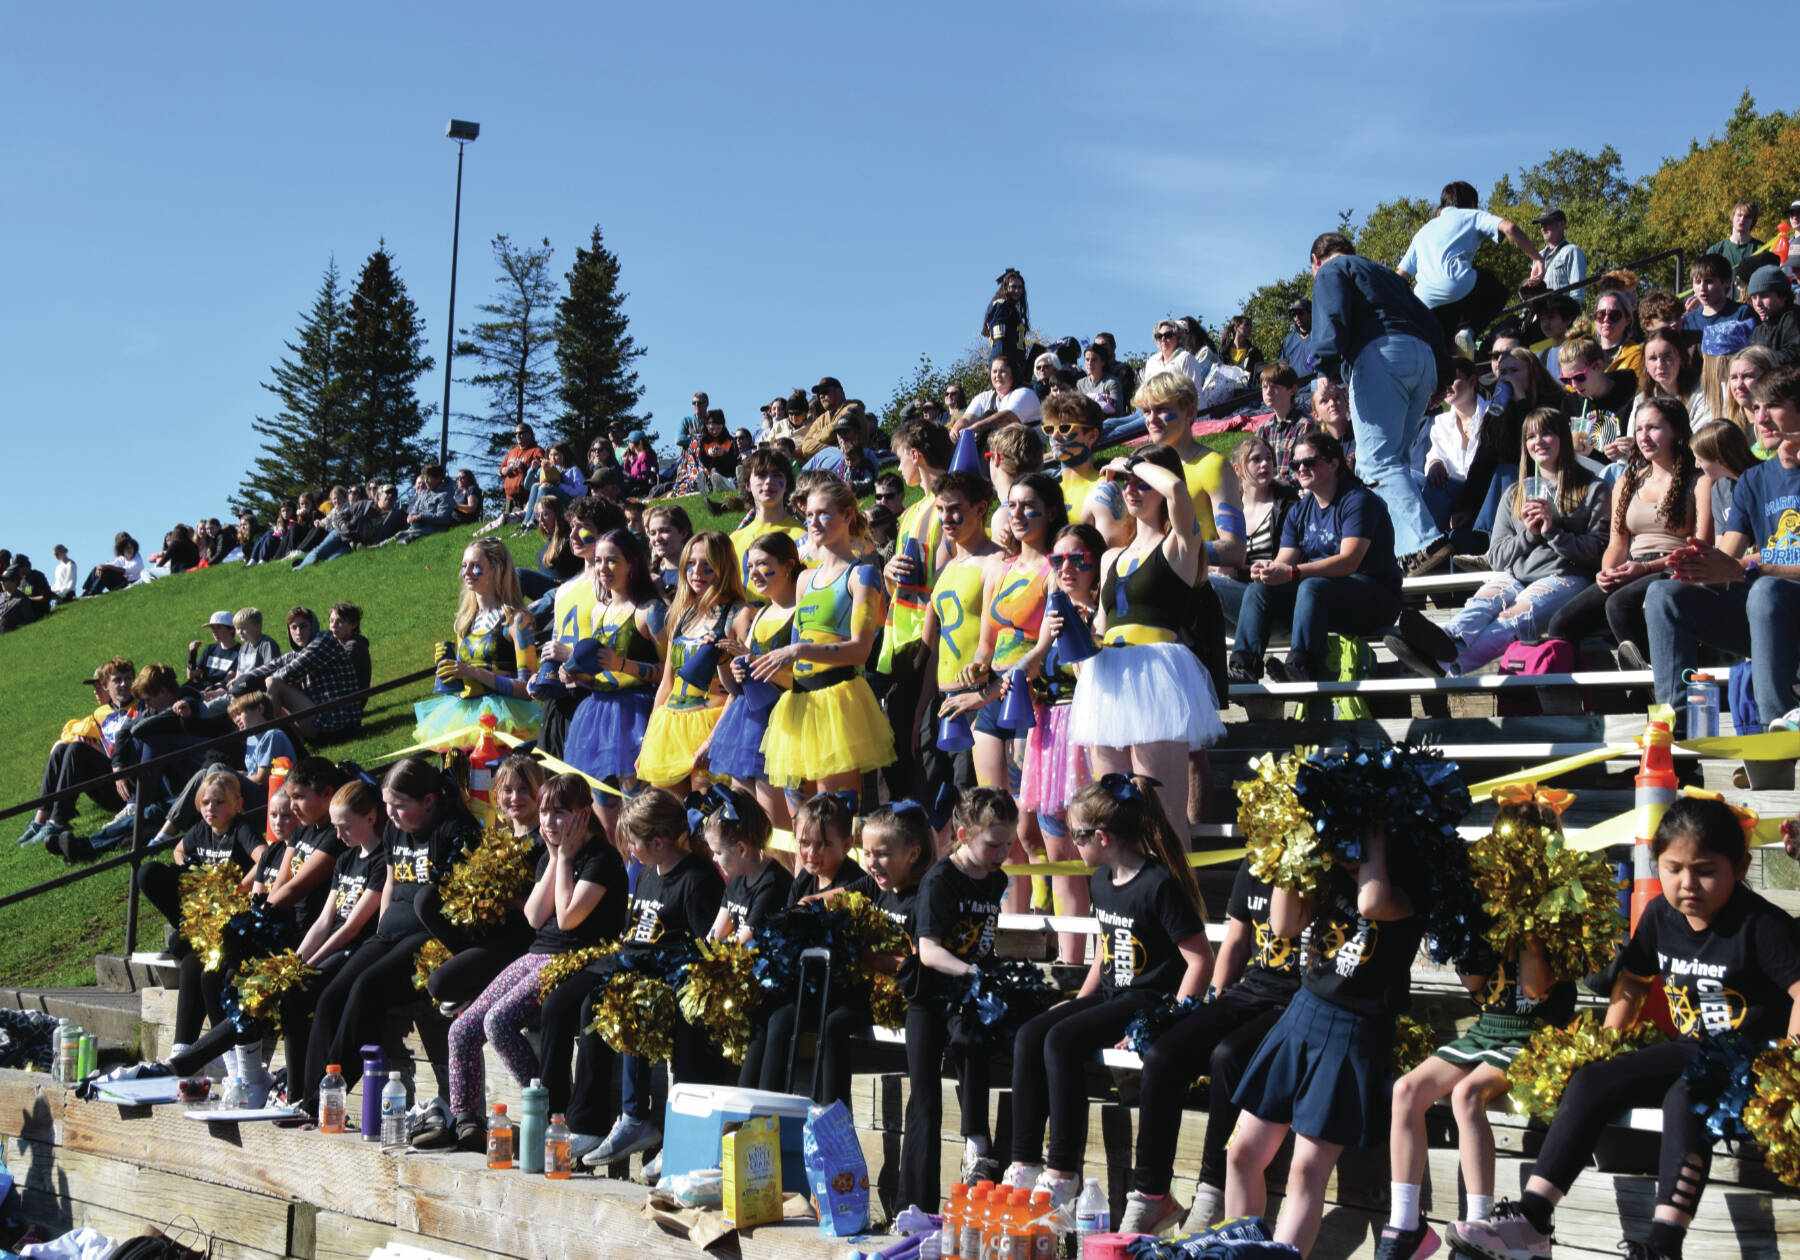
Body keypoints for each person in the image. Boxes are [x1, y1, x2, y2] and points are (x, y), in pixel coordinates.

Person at [1447, 797, 1800, 1260]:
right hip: (1694, 1050)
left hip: (1752, 1062)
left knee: (1686, 1095)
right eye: (1673, 868)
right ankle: (1531, 1221)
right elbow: (1633, 981)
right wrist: (1609, 1041)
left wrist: (1788, 1065)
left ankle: (1662, 1245)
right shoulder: (1660, 915)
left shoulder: (1762, 924)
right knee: (1593, 1077)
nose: (1687, 883)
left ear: (1741, 866)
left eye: (1705, 870)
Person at [1003, 774, 1211, 1210]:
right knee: (1030, 1034)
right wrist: (1080, 1000)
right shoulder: (1100, 880)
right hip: (1113, 994)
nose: (1071, 844)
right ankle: (1024, 1164)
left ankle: (1063, 1171)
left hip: (1148, 1001)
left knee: (1061, 1040)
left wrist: (1168, 1020)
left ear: (1101, 837)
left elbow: (1199, 960)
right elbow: (1105, 949)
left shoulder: (1158, 884)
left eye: (1075, 835)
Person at [1381, 801, 1576, 1260]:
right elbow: (1475, 986)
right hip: (1490, 1029)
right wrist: (1460, 919)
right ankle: (1406, 1223)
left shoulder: (1561, 898)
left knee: (1468, 1095)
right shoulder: (1484, 896)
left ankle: (1481, 1225)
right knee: (1406, 1090)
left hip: (1536, 1035)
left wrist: (1527, 913)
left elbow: (1534, 987)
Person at [1226, 821, 1425, 1258]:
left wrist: (1371, 836)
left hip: (1354, 1032)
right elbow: (1281, 924)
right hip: (1302, 1015)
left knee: (1305, 1171)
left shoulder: (1411, 881)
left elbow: (1372, 904)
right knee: (1241, 1153)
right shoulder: (1329, 873)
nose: (1348, 855)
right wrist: (1292, 845)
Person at [433, 773, 626, 1152]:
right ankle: (467, 1120)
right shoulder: (552, 855)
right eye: (544, 814)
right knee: (462, 1030)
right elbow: (536, 917)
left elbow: (569, 918)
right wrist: (555, 857)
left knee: (498, 1022)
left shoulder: (600, 858)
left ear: (584, 814)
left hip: (574, 958)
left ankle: (547, 1109)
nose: (549, 823)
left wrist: (567, 857)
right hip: (536, 954)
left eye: (559, 813)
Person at [1121, 852, 1302, 1235]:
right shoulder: (1255, 860)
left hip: (1297, 999)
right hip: (1249, 990)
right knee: (1163, 1054)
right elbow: (1236, 942)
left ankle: (1212, 1194)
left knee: (1228, 1056)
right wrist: (1213, 1004)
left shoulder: (1317, 866)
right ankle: (1152, 1196)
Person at [297, 756, 481, 1119]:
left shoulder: (453, 830)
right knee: (331, 993)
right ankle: (308, 1098)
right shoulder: (395, 831)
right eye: (386, 806)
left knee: (367, 987)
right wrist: (379, 934)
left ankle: (331, 1095)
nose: (391, 815)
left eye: (399, 806)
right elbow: (392, 880)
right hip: (391, 931)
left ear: (428, 801)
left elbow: (458, 903)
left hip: (428, 936)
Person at [1389, 408, 1609, 678]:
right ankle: (1445, 640)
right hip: (1517, 573)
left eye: (1547, 434)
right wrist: (1530, 535)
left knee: (1511, 616)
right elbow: (1498, 556)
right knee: (1483, 602)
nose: (1538, 441)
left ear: (1563, 437)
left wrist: (1553, 530)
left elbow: (1596, 552)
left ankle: (1446, 664)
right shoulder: (1515, 493)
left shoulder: (1593, 489)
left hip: (1565, 576)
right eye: (1531, 436)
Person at [1072, 445, 1224, 832]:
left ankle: (1177, 892)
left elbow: (1176, 490)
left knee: (1163, 817)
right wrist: (1077, 631)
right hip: (1109, 680)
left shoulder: (1178, 546)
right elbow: (1101, 632)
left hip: (1155, 676)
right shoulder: (1110, 558)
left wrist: (1130, 463)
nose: (1132, 488)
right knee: (1114, 817)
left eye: (1143, 483)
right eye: (1127, 483)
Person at [577, 788, 727, 1168]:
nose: (628, 850)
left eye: (633, 842)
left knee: (641, 1007)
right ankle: (616, 1119)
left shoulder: (696, 879)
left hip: (674, 982)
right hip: (637, 973)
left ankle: (660, 1129)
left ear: (659, 842)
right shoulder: (644, 874)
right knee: (593, 1002)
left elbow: (704, 949)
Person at [1648, 366, 1800, 732]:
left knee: (1764, 590)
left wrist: (1747, 568)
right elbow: (1729, 558)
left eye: (1773, 406)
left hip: (1781, 601)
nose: (1759, 417)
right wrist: (1697, 565)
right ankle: (1677, 738)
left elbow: (1745, 568)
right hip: (1768, 613)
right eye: (1755, 407)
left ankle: (1774, 728)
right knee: (1664, 595)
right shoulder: (1753, 479)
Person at [1308, 231, 1453, 574]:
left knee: (1375, 464)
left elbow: (1331, 316)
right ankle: (1402, 554)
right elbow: (1430, 320)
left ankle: (1424, 542)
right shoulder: (1388, 275)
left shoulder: (1331, 270)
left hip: (1380, 355)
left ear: (1315, 261)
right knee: (1396, 463)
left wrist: (1327, 366)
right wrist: (1442, 376)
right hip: (1423, 360)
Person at [897, 788, 1015, 1206]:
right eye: (992, 844)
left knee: (974, 1040)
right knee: (924, 1100)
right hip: (930, 993)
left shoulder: (996, 877)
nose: (1002, 853)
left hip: (970, 987)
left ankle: (978, 1146)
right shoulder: (939, 880)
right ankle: (913, 1204)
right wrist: (972, 971)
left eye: (1007, 844)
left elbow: (984, 941)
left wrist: (988, 976)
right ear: (963, 835)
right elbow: (927, 951)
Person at [756, 479, 896, 802]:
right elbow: (793, 655)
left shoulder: (862, 575)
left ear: (848, 515)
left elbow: (860, 649)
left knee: (834, 815)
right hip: (800, 703)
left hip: (838, 703)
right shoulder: (805, 578)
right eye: (809, 515)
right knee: (802, 818)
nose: (812, 522)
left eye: (822, 514)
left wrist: (800, 650)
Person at [1230, 429, 1403, 684]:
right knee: (1259, 590)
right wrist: (1267, 570)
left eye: (1309, 462)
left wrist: (1292, 573)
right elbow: (1284, 560)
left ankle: (1302, 665)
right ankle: (1242, 667)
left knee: (1311, 585)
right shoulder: (1299, 511)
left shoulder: (1359, 501)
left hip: (1373, 597)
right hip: (1322, 599)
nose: (1300, 469)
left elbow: (1348, 561)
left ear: (1334, 464)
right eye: (1295, 464)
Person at [1545, 396, 1702, 667]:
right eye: (1639, 429)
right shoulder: (1627, 481)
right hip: (1632, 569)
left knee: (1619, 605)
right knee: (1560, 624)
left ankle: (1655, 678)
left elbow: (1702, 546)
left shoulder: (1698, 479)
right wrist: (1606, 573)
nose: (1644, 436)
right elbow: (1617, 544)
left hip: (1672, 567)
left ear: (1675, 430)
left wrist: (1646, 568)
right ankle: (1579, 702)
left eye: (1653, 428)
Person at [136, 769, 261, 1070]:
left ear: (236, 804)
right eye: (205, 802)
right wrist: (191, 870)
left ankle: (193, 1052)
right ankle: (184, 1050)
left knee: (196, 962)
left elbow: (265, 856)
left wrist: (241, 887)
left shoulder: (240, 829)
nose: (210, 809)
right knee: (149, 872)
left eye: (218, 803)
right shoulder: (199, 831)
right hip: (206, 911)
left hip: (233, 917)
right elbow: (179, 849)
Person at [914, 472, 1004, 800]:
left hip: (977, 698)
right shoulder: (946, 570)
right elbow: (935, 649)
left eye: (954, 509)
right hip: (939, 700)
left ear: (981, 509)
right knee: (929, 805)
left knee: (973, 801)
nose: (946, 518)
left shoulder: (998, 562)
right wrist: (921, 709)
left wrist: (985, 693)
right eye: (940, 510)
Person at [636, 531, 745, 791]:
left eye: (707, 565)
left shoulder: (739, 614)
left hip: (712, 727)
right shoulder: (683, 612)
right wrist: (649, 739)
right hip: (669, 729)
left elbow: (741, 690)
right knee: (667, 822)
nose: (697, 572)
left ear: (724, 568)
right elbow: (667, 683)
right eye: (691, 564)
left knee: (708, 821)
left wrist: (712, 740)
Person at [412, 539, 541, 747]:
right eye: (464, 566)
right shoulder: (464, 621)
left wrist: (472, 672)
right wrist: (448, 670)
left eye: (475, 565)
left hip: (505, 723)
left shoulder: (517, 620)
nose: (467, 572)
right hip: (465, 718)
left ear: (496, 568)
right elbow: (461, 683)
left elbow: (528, 689)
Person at [710, 533, 800, 827]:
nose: (755, 573)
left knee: (777, 828)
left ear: (788, 566)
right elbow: (735, 688)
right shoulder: (760, 613)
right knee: (747, 828)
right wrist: (729, 664)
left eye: (763, 564)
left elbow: (801, 675)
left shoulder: (799, 612)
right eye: (750, 566)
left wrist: (751, 659)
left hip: (785, 724)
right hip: (746, 727)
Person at [1396, 182, 1545, 350]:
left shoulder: (1423, 231)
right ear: (1473, 204)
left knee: (1443, 353)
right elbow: (1509, 228)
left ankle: (1456, 352)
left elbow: (1399, 277)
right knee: (1497, 290)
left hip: (1425, 303)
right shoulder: (1472, 215)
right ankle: (1469, 331)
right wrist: (1537, 258)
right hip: (1458, 285)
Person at [232, 606, 364, 740]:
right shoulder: (297, 652)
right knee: (270, 686)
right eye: (294, 627)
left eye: (303, 626)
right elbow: (273, 665)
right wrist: (243, 680)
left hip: (340, 724)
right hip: (322, 719)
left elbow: (289, 672)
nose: (299, 632)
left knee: (274, 683)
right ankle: (272, 741)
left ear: (313, 626)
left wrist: (252, 683)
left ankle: (267, 742)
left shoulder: (324, 640)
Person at [1211, 434, 1298, 631]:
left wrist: (1235, 572)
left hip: (1271, 593)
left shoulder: (1286, 504)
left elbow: (1284, 563)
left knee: (1208, 586)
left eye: (1269, 457)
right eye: (1256, 459)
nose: (1265, 464)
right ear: (1237, 469)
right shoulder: (1228, 508)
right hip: (1237, 591)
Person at [702, 787, 790, 945]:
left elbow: (743, 942)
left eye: (718, 852)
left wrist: (709, 965)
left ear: (741, 848)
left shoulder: (772, 883)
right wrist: (694, 960)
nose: (714, 859)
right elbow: (714, 936)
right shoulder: (738, 877)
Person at [1417, 357, 1489, 537]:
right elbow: (1435, 453)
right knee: (1411, 477)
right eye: (1444, 380)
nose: (1447, 386)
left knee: (1438, 489)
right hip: (1451, 490)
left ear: (1472, 380)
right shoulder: (1441, 422)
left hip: (1482, 490)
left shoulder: (1491, 415)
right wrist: (1435, 463)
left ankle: (1430, 541)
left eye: (1453, 379)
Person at [727, 448, 806, 594]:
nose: (769, 482)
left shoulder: (803, 537)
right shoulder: (734, 540)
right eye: (761, 475)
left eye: (777, 475)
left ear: (787, 484)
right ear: (748, 485)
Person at [1558, 337, 1636, 461]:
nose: (1574, 385)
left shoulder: (1631, 392)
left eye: (1579, 377)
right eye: (1566, 380)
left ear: (1598, 366)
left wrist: (1634, 447)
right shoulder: (1570, 405)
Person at [1632, 328, 1716, 430]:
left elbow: (1699, 439)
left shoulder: (1703, 393)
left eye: (1667, 357)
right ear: (1645, 363)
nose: (1660, 365)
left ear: (1681, 358)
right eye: (1653, 358)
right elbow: (1634, 437)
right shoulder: (1641, 399)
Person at [1248, 362, 1314, 484]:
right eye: (1264, 387)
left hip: (1293, 492)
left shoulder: (1304, 425)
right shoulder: (1263, 429)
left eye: (1275, 387)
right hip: (1267, 490)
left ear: (1293, 390)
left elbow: (1306, 470)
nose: (1268, 392)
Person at [1692, 418, 1758, 537]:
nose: (1696, 465)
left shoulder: (1764, 478)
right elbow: (1722, 545)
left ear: (1720, 458)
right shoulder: (1718, 489)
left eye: (1700, 460)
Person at [952, 351, 1041, 436]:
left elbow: (1006, 419)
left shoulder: (1026, 394)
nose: (997, 375)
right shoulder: (983, 398)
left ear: (1013, 374)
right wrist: (956, 429)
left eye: (1002, 371)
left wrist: (971, 430)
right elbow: (967, 419)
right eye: (994, 371)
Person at [1682, 253, 1753, 332]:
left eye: (1708, 281)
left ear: (1727, 282)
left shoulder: (1743, 314)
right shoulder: (1689, 321)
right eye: (1697, 282)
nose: (1702, 288)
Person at [1747, 264, 1800, 366]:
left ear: (1782, 296)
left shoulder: (1792, 319)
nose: (1758, 303)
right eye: (1754, 297)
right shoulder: (1760, 329)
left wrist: (1761, 360)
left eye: (1764, 296)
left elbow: (1794, 354)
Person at [1533, 207, 1586, 299]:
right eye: (1541, 225)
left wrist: (1566, 313)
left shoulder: (1572, 252)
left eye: (1547, 223)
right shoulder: (1538, 256)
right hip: (1540, 312)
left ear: (1561, 224)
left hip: (1562, 311)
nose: (1543, 228)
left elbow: (1577, 293)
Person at [497, 422, 545, 522]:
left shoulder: (537, 450)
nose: (518, 436)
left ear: (530, 434)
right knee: (507, 522)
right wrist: (503, 470)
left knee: (524, 520)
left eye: (521, 433)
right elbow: (501, 467)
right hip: (509, 497)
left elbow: (541, 467)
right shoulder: (512, 452)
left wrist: (524, 467)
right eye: (516, 434)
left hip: (526, 496)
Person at [644, 504, 692, 600]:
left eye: (665, 531)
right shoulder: (655, 576)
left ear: (683, 533)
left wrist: (662, 594)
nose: (657, 538)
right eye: (652, 533)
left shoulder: (695, 574)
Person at [982, 268, 1030, 363]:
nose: (1017, 290)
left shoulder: (1013, 309)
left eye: (1020, 287)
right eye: (1013, 287)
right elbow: (1000, 340)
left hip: (1016, 364)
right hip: (1005, 363)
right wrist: (1002, 363)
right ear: (1005, 288)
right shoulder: (1001, 306)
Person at [1593, 289, 1644, 376]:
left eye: (1614, 315)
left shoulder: (1636, 354)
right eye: (1601, 314)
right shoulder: (1586, 353)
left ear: (1628, 320)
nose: (1606, 319)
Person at [81, 531, 149, 595]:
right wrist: (100, 567)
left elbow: (124, 570)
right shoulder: (121, 558)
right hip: (121, 581)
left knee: (106, 571)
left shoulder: (137, 560)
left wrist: (106, 567)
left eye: (130, 547)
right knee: (97, 569)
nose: (129, 550)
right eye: (126, 548)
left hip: (128, 584)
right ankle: (86, 590)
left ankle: (93, 592)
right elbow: (110, 564)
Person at [1709, 199, 1763, 273]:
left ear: (1753, 221)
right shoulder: (1716, 251)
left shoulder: (1762, 250)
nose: (1742, 219)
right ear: (1733, 216)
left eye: (1747, 216)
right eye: (1739, 215)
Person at [1077, 344, 1124, 415]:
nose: (1090, 363)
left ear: (1103, 362)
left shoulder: (1112, 383)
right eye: (1087, 360)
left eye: (1094, 360)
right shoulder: (1080, 384)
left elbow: (1118, 412)